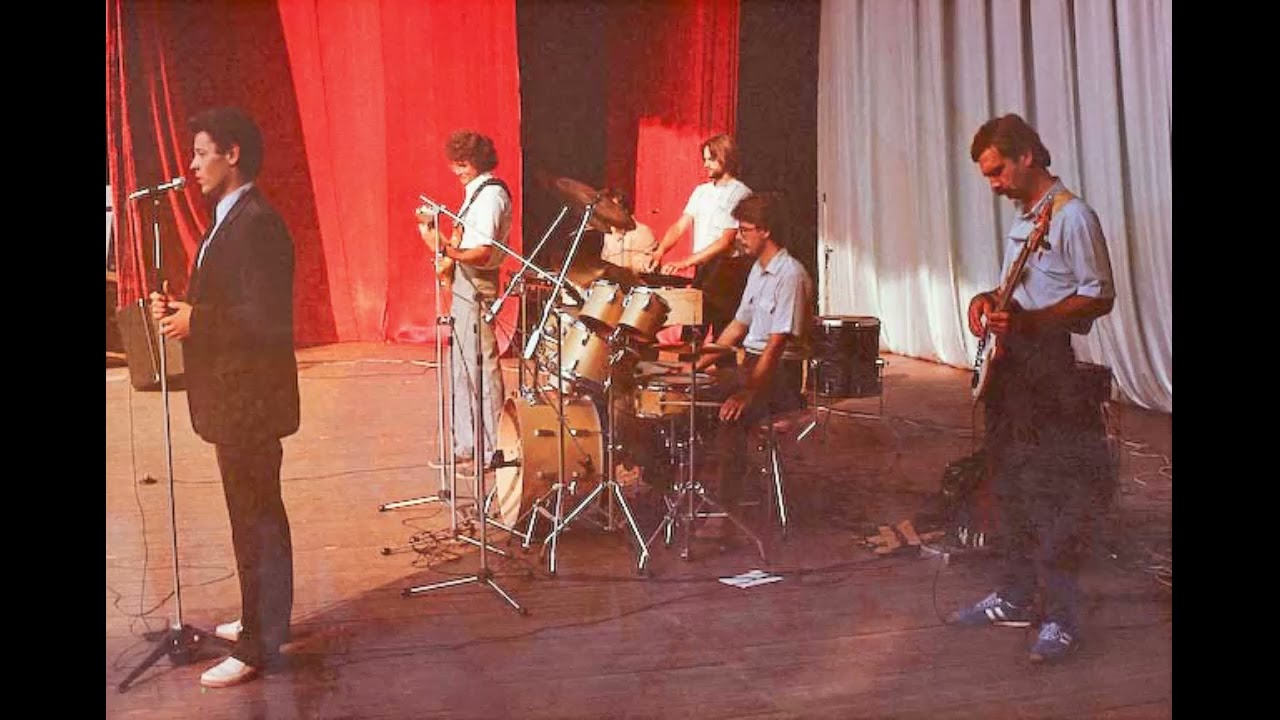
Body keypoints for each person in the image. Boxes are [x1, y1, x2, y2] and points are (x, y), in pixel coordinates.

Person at [948, 113, 1117, 664]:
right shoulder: (1029, 217)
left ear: (1027, 156)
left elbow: (1099, 295)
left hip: (1047, 372)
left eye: (997, 171)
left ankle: (1061, 618)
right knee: (1009, 487)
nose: (994, 184)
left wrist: (1029, 322)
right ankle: (1016, 594)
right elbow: (1020, 291)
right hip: (1012, 370)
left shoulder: (1072, 217)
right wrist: (988, 300)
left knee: (1050, 492)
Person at [150, 107, 300, 688]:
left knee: (255, 520)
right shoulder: (229, 217)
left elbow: (267, 319)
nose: (191, 165)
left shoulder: (257, 222)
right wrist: (183, 310)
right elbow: (228, 301)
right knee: (256, 516)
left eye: (201, 152)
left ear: (232, 154)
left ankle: (258, 644)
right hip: (236, 398)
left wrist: (199, 320)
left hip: (249, 401)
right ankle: (265, 619)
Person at [695, 192, 812, 545]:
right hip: (752, 366)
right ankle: (685, 495)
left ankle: (725, 514)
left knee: (730, 415)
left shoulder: (790, 275)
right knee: (686, 395)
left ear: (765, 231)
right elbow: (736, 327)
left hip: (780, 377)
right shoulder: (757, 271)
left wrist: (748, 393)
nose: (740, 237)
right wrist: (694, 366)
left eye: (745, 230)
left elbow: (776, 345)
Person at [416, 130, 511, 470]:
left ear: (478, 162)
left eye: (464, 165)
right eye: (455, 164)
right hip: (464, 284)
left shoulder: (490, 196)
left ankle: (493, 448)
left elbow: (482, 252)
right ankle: (467, 443)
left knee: (480, 367)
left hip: (477, 284)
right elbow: (460, 246)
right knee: (460, 367)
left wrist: (446, 251)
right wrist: (435, 235)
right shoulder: (476, 194)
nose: (457, 171)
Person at [652, 134, 753, 335]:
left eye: (711, 159)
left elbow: (725, 241)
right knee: (691, 329)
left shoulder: (740, 193)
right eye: (704, 159)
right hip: (703, 266)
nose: (705, 165)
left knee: (720, 332)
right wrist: (660, 251)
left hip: (726, 269)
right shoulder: (701, 191)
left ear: (725, 158)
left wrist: (684, 263)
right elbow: (680, 226)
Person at [598, 187, 658, 273]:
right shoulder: (608, 233)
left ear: (625, 210)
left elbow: (645, 269)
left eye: (612, 209)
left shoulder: (642, 233)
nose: (607, 214)